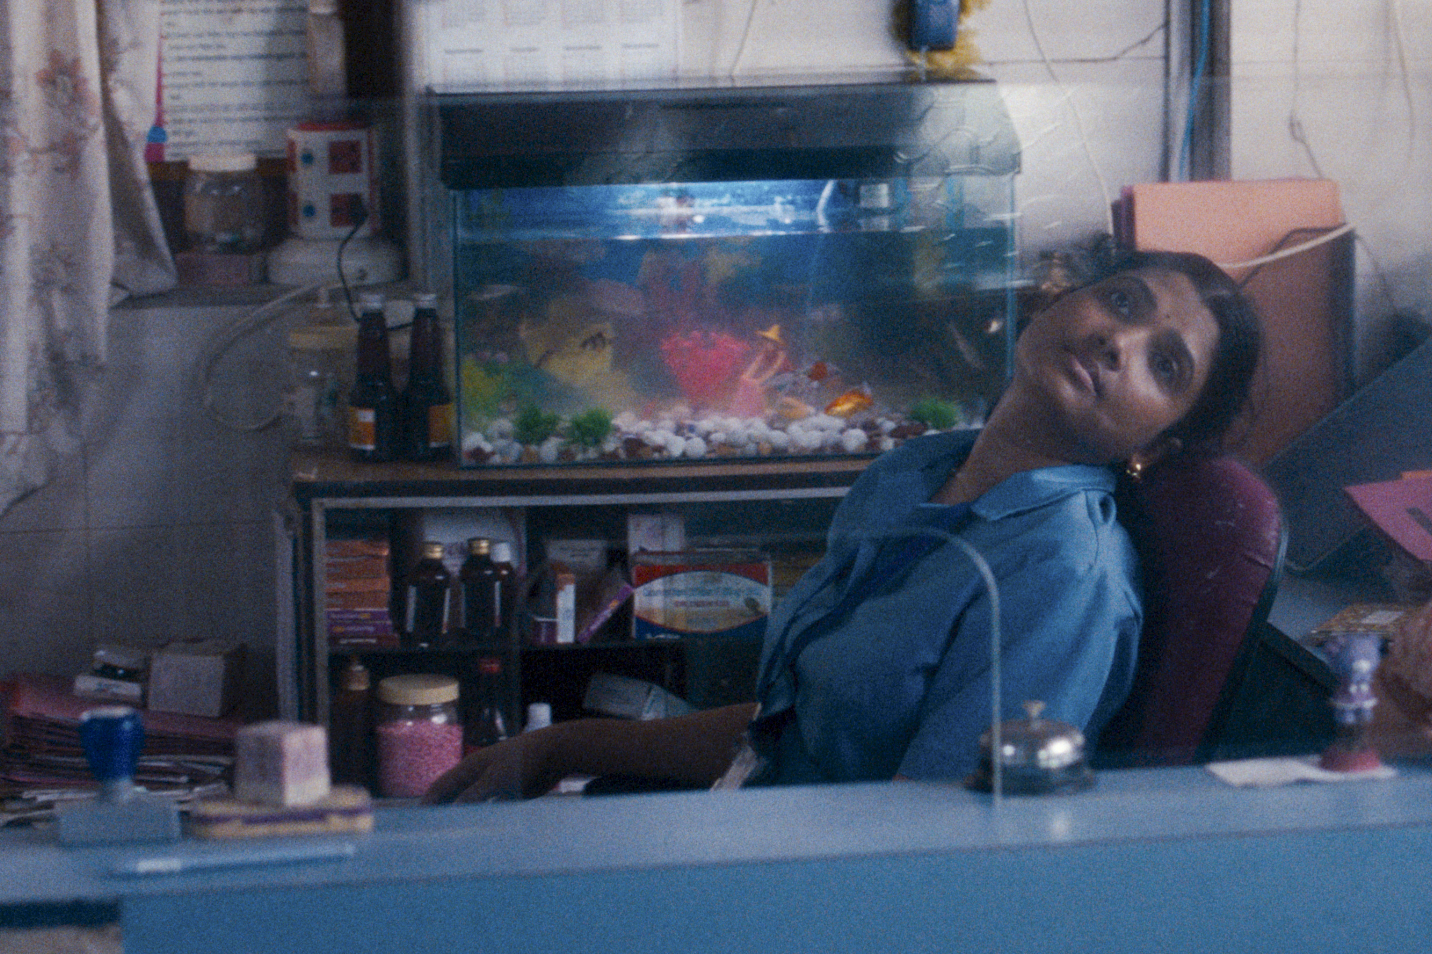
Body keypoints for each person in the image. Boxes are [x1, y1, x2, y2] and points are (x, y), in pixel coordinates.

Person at [425, 249, 1261, 802]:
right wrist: (560, 748)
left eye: (1165, 364)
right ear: (1060, 298)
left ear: (1163, 440)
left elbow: (934, 854)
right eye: (1121, 301)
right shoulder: (918, 472)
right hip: (759, 820)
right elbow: (786, 737)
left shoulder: (1062, 575)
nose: (1118, 340)